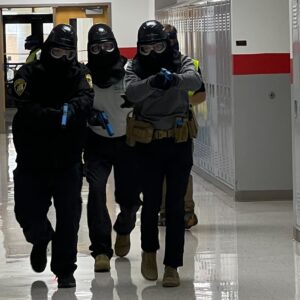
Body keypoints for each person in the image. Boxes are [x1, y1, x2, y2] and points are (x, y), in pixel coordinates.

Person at [12, 24, 94, 288]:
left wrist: (69, 111)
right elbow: (26, 107)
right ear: (48, 49)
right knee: (27, 214)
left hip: (67, 160)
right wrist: (57, 116)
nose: (63, 58)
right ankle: (40, 238)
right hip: (32, 160)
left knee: (69, 218)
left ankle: (65, 270)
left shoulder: (79, 73)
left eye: (68, 53)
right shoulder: (27, 73)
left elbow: (86, 98)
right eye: (57, 51)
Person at [125, 20, 203, 287]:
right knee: (150, 203)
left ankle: (172, 266)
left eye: (158, 45)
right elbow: (131, 91)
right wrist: (153, 82)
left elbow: (195, 79)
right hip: (148, 145)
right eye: (146, 47)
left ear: (167, 44)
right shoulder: (133, 66)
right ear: (139, 47)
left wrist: (174, 80)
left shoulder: (181, 61)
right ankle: (149, 252)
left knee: (175, 206)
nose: (153, 52)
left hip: (179, 143)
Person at [84, 23, 141, 273]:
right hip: (96, 142)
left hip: (127, 140)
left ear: (115, 44)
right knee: (96, 192)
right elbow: (77, 102)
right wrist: (88, 115)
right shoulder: (84, 75)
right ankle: (100, 251)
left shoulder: (129, 69)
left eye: (108, 46)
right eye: (96, 48)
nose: (103, 51)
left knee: (129, 198)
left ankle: (125, 226)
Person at [159, 24, 206, 229]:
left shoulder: (189, 64)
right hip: (157, 124)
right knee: (160, 171)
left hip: (182, 124)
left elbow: (201, 94)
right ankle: (163, 212)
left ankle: (187, 211)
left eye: (172, 40)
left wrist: (181, 103)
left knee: (183, 169)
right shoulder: (150, 64)